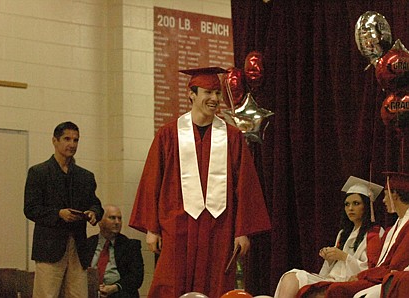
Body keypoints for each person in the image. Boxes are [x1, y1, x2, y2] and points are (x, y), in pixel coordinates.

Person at [129, 67, 271, 298]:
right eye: (208, 92)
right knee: (171, 285)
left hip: (219, 227)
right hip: (177, 227)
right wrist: (151, 229)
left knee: (217, 287)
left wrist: (242, 231)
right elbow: (152, 181)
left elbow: (244, 186)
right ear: (192, 94)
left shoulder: (232, 137)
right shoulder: (169, 135)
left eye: (217, 93)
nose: (214, 99)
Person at [24, 121, 104, 298]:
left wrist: (93, 213)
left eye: (76, 140)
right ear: (54, 141)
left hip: (77, 245)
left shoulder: (85, 176)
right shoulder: (39, 172)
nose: (72, 144)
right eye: (67, 139)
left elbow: (96, 204)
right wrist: (58, 214)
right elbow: (30, 209)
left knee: (78, 294)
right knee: (46, 294)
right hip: (49, 247)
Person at [271, 176, 384, 298]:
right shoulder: (343, 233)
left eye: (356, 203)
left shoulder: (375, 233)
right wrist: (330, 258)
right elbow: (331, 270)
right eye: (347, 204)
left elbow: (372, 269)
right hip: (332, 279)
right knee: (293, 276)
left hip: (350, 283)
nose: (350, 208)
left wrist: (343, 256)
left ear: (367, 207)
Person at [321, 172, 409, 298]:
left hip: (395, 279)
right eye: (347, 204)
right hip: (380, 276)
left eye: (385, 195)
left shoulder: (375, 233)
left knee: (343, 291)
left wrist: (361, 274)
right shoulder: (393, 228)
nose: (383, 200)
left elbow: (393, 265)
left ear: (394, 194)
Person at [86, 204, 144, 298]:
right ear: (100, 221)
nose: (117, 222)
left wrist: (114, 287)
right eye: (112, 218)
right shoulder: (87, 244)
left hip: (119, 293)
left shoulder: (130, 246)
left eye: (119, 218)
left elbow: (136, 278)